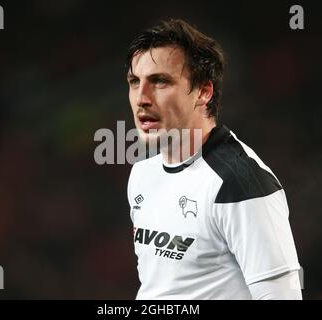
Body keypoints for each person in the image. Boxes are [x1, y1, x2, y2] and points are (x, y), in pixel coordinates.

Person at [126, 18, 302, 300]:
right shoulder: (142, 174)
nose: (141, 98)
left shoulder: (240, 183)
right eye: (135, 82)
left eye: (160, 81)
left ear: (203, 92)